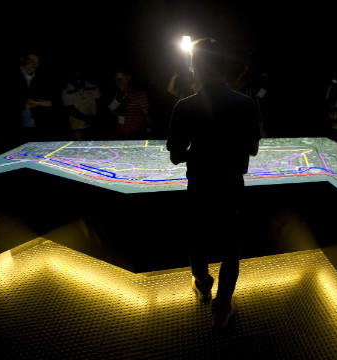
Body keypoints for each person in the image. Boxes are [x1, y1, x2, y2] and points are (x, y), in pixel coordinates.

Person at [166, 37, 261, 329]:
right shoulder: (246, 104)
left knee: (198, 240)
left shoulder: (184, 106)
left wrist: (198, 151)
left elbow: (175, 156)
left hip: (199, 188)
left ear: (195, 68)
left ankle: (203, 283)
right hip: (231, 186)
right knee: (231, 249)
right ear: (224, 68)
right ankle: (222, 307)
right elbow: (253, 149)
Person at [0, 51, 62, 147]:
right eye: (31, 60)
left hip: (41, 127)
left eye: (37, 61)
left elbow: (54, 102)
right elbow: (15, 104)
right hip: (17, 129)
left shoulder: (43, 78)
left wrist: (33, 101)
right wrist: (40, 102)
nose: (35, 64)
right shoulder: (9, 78)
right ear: (22, 59)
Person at [105, 68, 153, 140]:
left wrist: (149, 132)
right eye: (117, 78)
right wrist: (118, 99)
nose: (120, 81)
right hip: (120, 135)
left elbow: (146, 114)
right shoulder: (114, 95)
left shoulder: (139, 94)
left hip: (137, 134)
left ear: (128, 78)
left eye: (122, 78)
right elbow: (112, 113)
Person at [60, 64, 102, 141]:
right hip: (77, 127)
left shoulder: (92, 86)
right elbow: (70, 109)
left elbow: (99, 103)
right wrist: (87, 118)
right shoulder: (66, 90)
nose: (77, 78)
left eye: (79, 75)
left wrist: (97, 119)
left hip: (93, 125)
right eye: (75, 75)